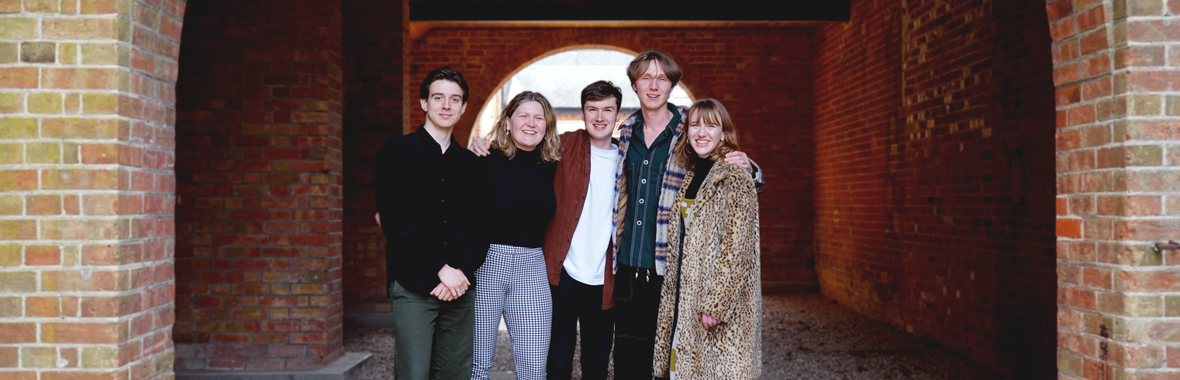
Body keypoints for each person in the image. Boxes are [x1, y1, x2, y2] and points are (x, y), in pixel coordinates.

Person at [609, 50, 763, 380]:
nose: (653, 86)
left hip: (669, 267)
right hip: (627, 264)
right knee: (625, 361)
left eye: (661, 78)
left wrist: (751, 169)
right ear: (635, 85)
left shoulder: (689, 133)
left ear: (672, 85)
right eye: (646, 78)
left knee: (666, 361)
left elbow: (721, 174)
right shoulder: (625, 133)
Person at [375, 66, 490, 380]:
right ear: (424, 102)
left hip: (460, 289)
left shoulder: (471, 164)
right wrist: (442, 269)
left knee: (455, 374)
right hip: (414, 285)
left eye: (455, 99)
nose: (446, 105)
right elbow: (396, 221)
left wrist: (461, 272)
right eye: (438, 97)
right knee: (414, 374)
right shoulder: (396, 153)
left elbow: (481, 225)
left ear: (464, 107)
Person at [652, 98, 761, 380]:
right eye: (695, 125)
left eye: (710, 125)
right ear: (686, 132)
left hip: (717, 304)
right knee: (682, 369)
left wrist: (717, 303)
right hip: (686, 298)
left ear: (723, 133)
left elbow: (737, 247)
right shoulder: (690, 175)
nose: (701, 132)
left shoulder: (735, 176)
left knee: (716, 371)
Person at [470, 91, 560, 380]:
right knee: (477, 365)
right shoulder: (484, 159)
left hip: (532, 267)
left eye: (539, 117)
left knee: (534, 368)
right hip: (486, 265)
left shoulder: (553, 165)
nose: (531, 123)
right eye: (523, 115)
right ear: (508, 122)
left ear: (547, 126)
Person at [542, 81, 625, 380]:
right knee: (557, 358)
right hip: (561, 274)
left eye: (607, 110)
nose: (600, 117)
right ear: (582, 113)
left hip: (605, 279)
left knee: (597, 360)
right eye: (592, 109)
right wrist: (482, 145)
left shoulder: (629, 160)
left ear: (618, 115)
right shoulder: (563, 145)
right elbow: (519, 148)